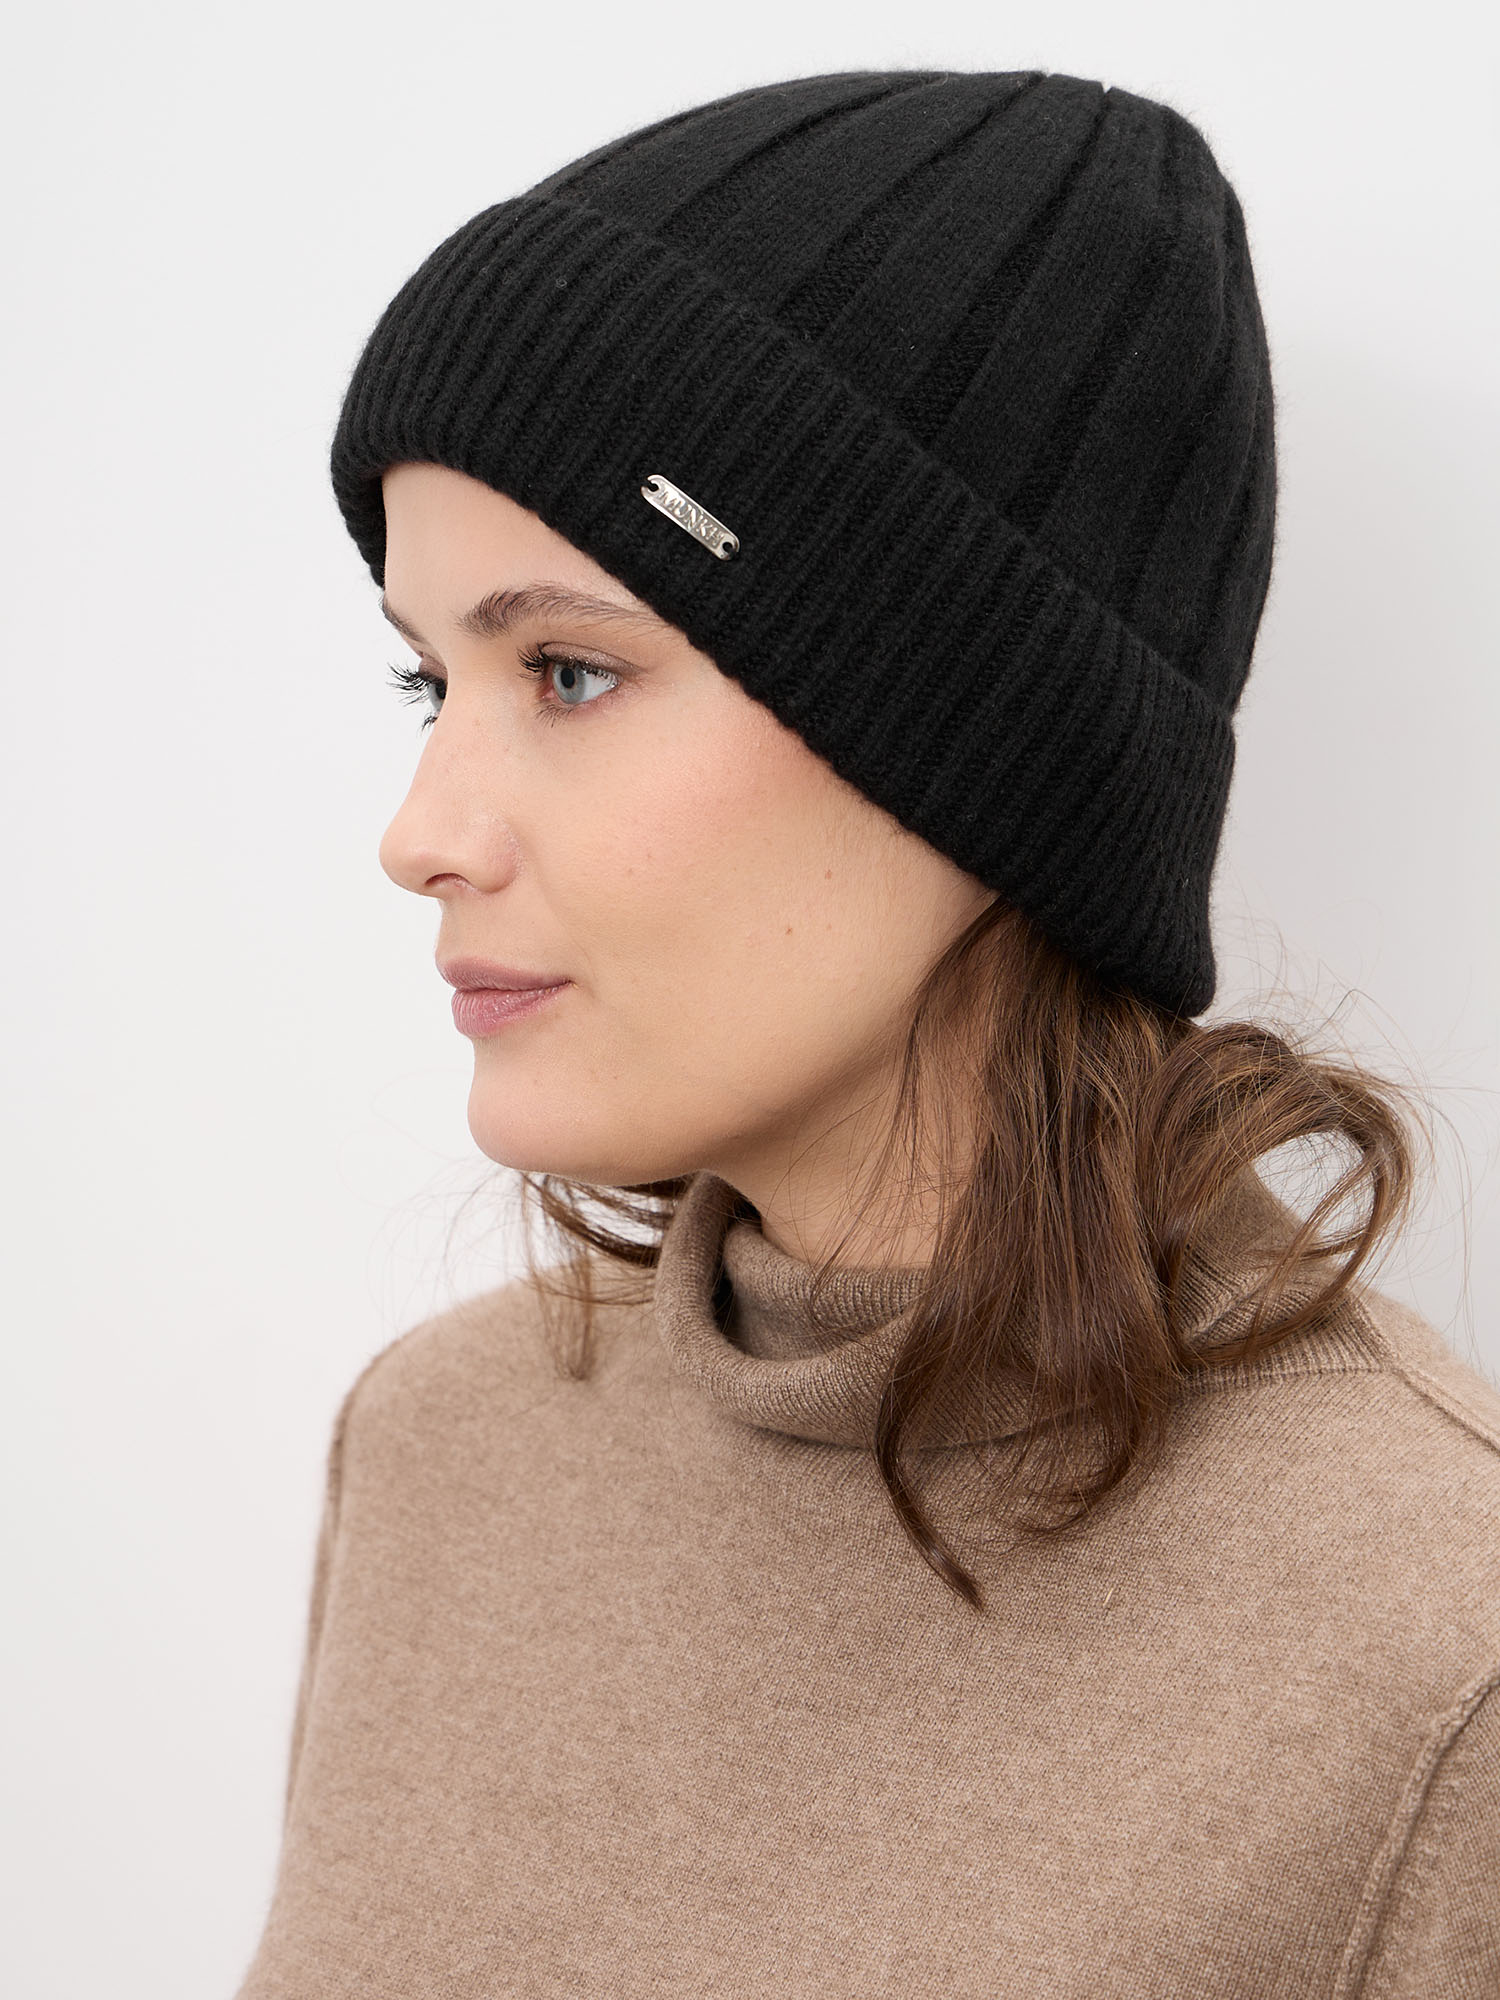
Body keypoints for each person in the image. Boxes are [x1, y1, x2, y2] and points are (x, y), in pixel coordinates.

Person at [235, 68, 1500, 1997]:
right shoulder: (446, 1451)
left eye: (568, 671)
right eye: (432, 682)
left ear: (968, 750)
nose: (421, 835)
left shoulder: (1433, 1649)